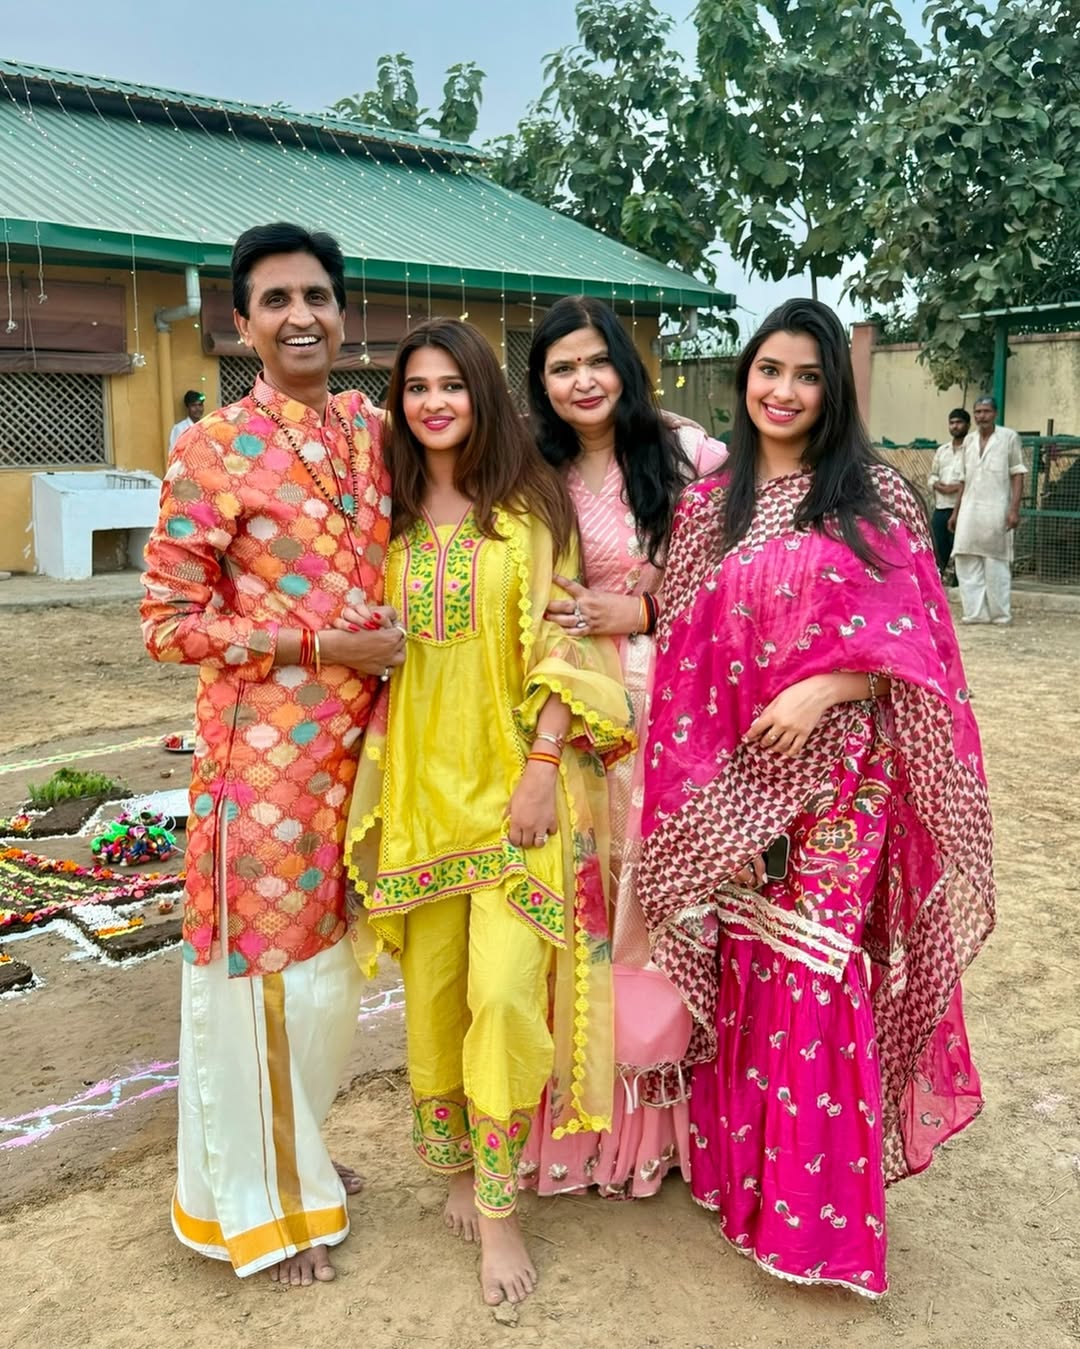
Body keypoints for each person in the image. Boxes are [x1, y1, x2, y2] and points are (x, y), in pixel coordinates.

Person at [638, 299, 995, 1298]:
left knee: (815, 972)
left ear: (833, 389)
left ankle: (818, 1229)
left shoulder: (873, 500)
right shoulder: (712, 508)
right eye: (770, 370)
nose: (785, 391)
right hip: (738, 782)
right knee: (748, 963)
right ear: (745, 377)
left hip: (842, 782)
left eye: (807, 374)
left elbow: (923, 654)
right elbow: (685, 656)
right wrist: (706, 795)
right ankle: (739, 1188)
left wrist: (826, 685)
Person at [340, 318, 634, 1305]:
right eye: (416, 387)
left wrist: (544, 765)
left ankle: (502, 1209)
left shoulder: (530, 504)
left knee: (505, 996)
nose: (434, 403)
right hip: (420, 799)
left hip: (516, 797)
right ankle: (460, 1168)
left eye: (452, 384)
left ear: (483, 394)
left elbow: (566, 643)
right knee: (436, 1000)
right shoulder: (382, 515)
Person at [141, 223, 405, 1287]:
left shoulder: (376, 431)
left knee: (332, 982)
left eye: (318, 297)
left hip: (368, 758)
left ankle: (291, 1160)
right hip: (262, 770)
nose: (302, 316)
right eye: (277, 300)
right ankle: (268, 1207)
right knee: (266, 983)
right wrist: (319, 645)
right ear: (242, 324)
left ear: (344, 314)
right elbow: (167, 623)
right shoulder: (212, 448)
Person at [518, 295, 725, 1200]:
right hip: (580, 711)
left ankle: (668, 1129)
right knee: (590, 898)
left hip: (679, 704)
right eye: (561, 368)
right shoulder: (535, 473)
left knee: (663, 896)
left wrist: (639, 607)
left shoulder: (689, 455)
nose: (582, 381)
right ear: (542, 384)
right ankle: (589, 1123)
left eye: (596, 361)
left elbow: (735, 583)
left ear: (626, 366)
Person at [951, 395, 1026, 625]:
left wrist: (1014, 509)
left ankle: (1000, 614)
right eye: (978, 412)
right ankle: (975, 613)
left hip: (997, 508)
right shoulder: (968, 441)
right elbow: (963, 479)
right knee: (965, 559)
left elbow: (1017, 473)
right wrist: (955, 512)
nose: (981, 416)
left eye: (986, 411)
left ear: (995, 414)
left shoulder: (1008, 438)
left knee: (996, 563)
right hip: (969, 509)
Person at [926, 407, 968, 578]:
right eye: (952, 423)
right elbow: (932, 476)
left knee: (961, 553)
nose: (955, 426)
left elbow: (973, 480)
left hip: (963, 510)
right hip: (941, 508)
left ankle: (960, 586)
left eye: (959, 422)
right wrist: (938, 486)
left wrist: (957, 488)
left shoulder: (971, 450)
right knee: (937, 551)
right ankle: (936, 585)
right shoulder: (942, 450)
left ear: (967, 425)